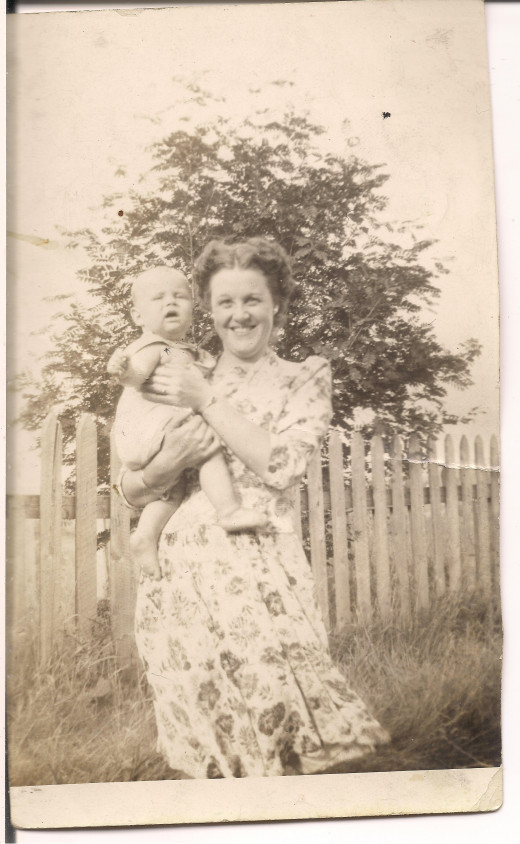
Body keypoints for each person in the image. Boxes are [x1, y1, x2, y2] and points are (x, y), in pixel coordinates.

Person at [120, 238, 389, 778]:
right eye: (225, 303)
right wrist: (165, 463)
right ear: (209, 311)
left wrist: (206, 402)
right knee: (214, 743)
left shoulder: (302, 375)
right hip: (178, 575)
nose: (239, 315)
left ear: (277, 306)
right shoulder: (182, 368)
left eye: (252, 301)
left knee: (288, 721)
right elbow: (130, 486)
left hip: (257, 564)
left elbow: (283, 465)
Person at [108, 266, 266, 580]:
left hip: (151, 442)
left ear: (192, 311)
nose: (171, 302)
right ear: (138, 317)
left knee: (174, 488)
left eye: (180, 296)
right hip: (154, 426)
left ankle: (145, 534)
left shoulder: (184, 350)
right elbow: (137, 374)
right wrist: (123, 370)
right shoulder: (154, 346)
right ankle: (228, 509)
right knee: (206, 446)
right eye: (159, 298)